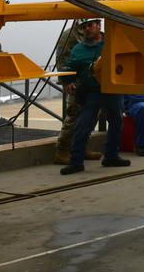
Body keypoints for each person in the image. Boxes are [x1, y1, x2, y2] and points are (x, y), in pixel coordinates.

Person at [61, 20, 129, 174]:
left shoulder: (113, 43)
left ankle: (111, 156)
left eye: (89, 26)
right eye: (84, 27)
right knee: (83, 125)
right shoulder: (78, 50)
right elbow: (69, 67)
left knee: (116, 122)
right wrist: (68, 82)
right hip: (92, 91)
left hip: (113, 89)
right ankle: (76, 162)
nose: (86, 29)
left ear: (99, 25)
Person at [52, 19, 101, 166]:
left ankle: (81, 148)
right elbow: (62, 60)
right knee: (73, 116)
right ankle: (62, 150)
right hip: (76, 84)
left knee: (91, 117)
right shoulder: (69, 36)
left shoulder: (97, 34)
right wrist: (67, 81)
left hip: (93, 83)